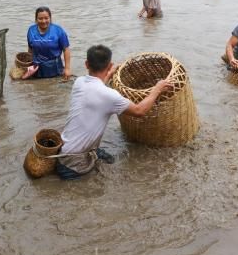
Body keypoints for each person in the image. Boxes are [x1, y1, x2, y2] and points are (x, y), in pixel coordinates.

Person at [56, 45, 172, 179]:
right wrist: (157, 89)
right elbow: (140, 111)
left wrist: (109, 74)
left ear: (87, 64)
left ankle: (94, 153)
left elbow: (98, 88)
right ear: (109, 64)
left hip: (63, 152)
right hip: (74, 165)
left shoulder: (79, 82)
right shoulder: (110, 96)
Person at [26, 7, 71, 79]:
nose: (43, 21)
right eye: (40, 18)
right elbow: (30, 49)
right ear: (36, 19)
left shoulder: (58, 30)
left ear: (50, 18)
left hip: (54, 67)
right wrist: (28, 65)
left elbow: (66, 49)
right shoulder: (31, 30)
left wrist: (67, 68)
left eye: (46, 18)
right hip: (36, 68)